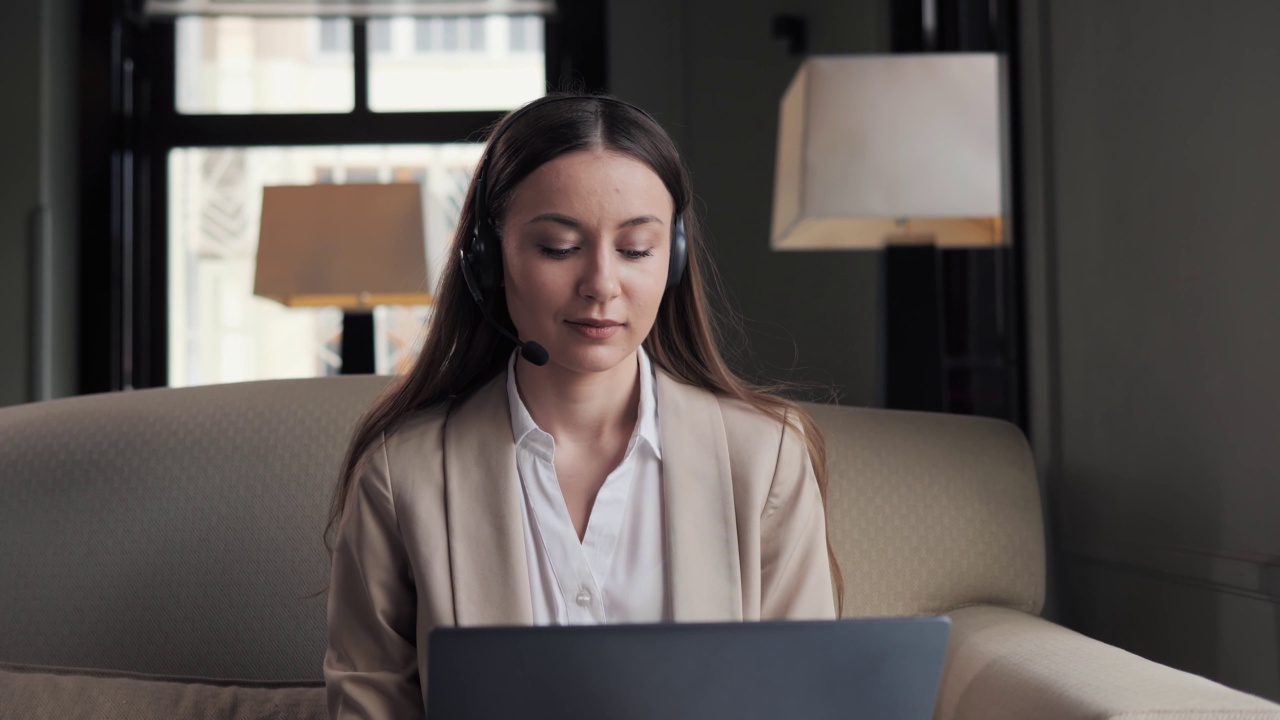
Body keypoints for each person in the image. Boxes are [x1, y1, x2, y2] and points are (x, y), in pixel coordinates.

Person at [323, 93, 842, 719]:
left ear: (672, 259)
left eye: (635, 249)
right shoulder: (399, 473)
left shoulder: (767, 459)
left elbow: (806, 701)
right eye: (559, 248)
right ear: (489, 260)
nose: (601, 283)